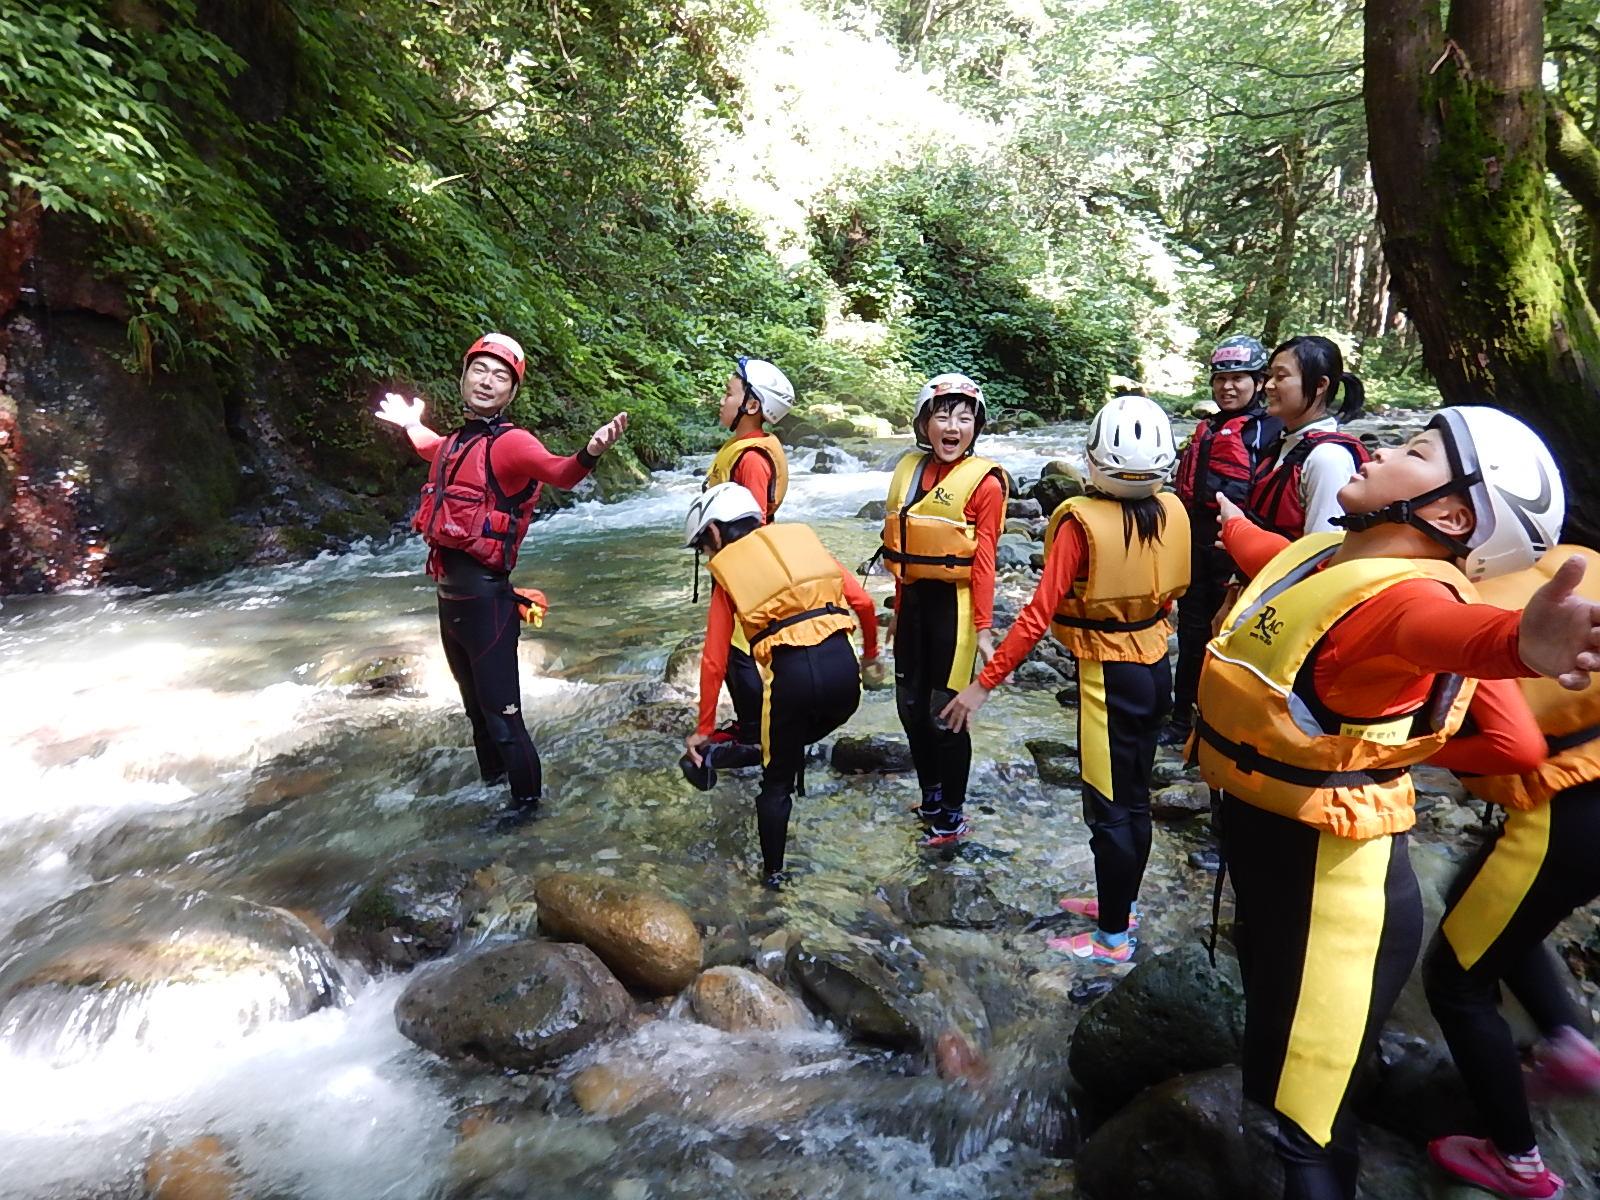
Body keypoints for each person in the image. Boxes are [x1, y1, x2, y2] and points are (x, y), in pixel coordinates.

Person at [1194, 406, 1599, 1200]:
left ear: (1451, 514)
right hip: (1280, 872)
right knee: (1275, 1092)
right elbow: (1274, 559)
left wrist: (1523, 644)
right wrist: (1233, 522)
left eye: (1414, 451)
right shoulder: (1328, 558)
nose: (1379, 450)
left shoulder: (1406, 604)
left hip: (1337, 900)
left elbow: (1455, 632)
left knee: (1301, 1132)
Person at [941, 395, 1189, 963]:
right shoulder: (1170, 510)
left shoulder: (1081, 523)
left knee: (1108, 809)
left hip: (1110, 680)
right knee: (1137, 799)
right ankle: (1120, 907)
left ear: (1095, 460)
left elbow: (1036, 616)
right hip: (1157, 669)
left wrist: (983, 685)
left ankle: (1111, 940)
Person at [375, 332, 628, 816]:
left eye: (500, 376)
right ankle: (492, 794)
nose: (487, 381)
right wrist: (411, 422)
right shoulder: (457, 442)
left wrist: (591, 452)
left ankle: (528, 815)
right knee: (477, 715)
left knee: (505, 720)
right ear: (464, 376)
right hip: (451, 602)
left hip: (487, 603)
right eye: (480, 370)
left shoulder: (512, 444)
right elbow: (432, 446)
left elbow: (560, 473)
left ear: (511, 392)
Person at [1423, 543, 1600, 1200]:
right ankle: (1568, 1044)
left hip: (1565, 814)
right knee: (1474, 898)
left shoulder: (1470, 611)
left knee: (1454, 982)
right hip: (1587, 798)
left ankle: (1519, 1163)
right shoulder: (1576, 559)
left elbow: (1508, 745)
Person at [679, 483, 883, 888]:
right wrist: (871, 655)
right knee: (781, 746)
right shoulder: (803, 543)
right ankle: (768, 749)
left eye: (704, 545)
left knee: (775, 785)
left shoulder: (728, 576)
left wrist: (703, 729)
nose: (707, 554)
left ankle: (772, 880)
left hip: (792, 683)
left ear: (716, 533)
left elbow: (714, 660)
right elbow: (863, 603)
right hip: (847, 684)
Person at [878, 372, 1007, 847]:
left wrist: (985, 628)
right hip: (913, 604)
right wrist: (896, 608)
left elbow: (987, 557)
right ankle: (930, 796)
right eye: (943, 415)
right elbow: (904, 543)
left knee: (945, 713)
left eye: (964, 417)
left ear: (976, 427)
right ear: (924, 423)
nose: (953, 426)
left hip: (955, 609)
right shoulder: (912, 470)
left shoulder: (985, 484)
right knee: (909, 706)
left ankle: (952, 817)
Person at [1163, 335, 1281, 753]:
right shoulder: (1209, 428)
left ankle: (1227, 723)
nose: (1228, 387)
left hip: (1241, 550)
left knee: (1238, 638)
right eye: (1221, 379)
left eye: (1238, 379)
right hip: (1197, 546)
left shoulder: (1272, 431)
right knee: (1193, 633)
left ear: (1258, 381)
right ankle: (1182, 718)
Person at [698, 357, 795, 765]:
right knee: (734, 650)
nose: (722, 399)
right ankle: (748, 723)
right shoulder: (739, 449)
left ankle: (756, 734)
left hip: (745, 570)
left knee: (738, 652)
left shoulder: (752, 459)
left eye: (729, 392)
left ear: (752, 406)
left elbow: (750, 521)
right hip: (732, 564)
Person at [1247, 335, 1369, 538]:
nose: (1268, 385)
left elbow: (1321, 553)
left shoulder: (1328, 459)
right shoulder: (1286, 442)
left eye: (1281, 376)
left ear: (1320, 385)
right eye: (1270, 376)